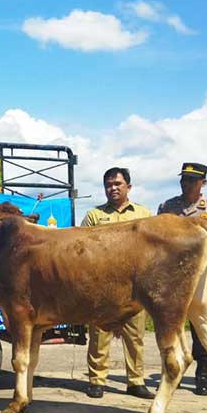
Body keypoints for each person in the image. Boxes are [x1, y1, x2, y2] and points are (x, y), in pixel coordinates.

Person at [80, 167, 155, 400]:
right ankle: (97, 380)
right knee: (99, 335)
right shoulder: (94, 216)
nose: (113, 188)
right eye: (108, 185)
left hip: (134, 286)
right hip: (102, 287)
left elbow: (152, 251)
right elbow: (82, 248)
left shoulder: (143, 214)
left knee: (135, 335)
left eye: (118, 184)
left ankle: (136, 381)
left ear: (128, 187)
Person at [157, 162, 207, 396]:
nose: (186, 184)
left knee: (202, 329)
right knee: (171, 328)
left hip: (201, 276)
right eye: (183, 180)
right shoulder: (167, 207)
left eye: (192, 180)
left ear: (202, 183)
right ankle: (171, 371)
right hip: (171, 281)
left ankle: (203, 375)